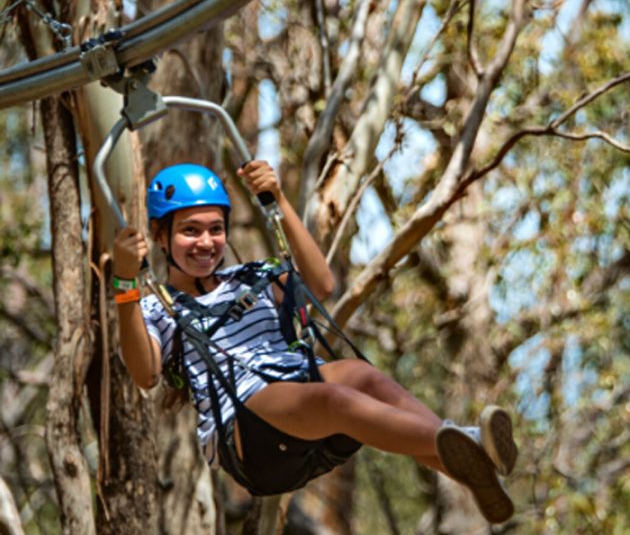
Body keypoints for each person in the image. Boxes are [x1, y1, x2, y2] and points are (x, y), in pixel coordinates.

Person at [112, 160, 518, 524]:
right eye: (190, 231)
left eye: (216, 229)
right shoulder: (155, 308)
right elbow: (145, 373)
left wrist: (278, 200)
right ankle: (471, 442)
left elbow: (321, 284)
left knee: (361, 374)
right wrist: (126, 284)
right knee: (335, 399)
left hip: (300, 397)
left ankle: (468, 467)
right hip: (248, 432)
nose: (206, 243)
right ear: (160, 236)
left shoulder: (251, 276)